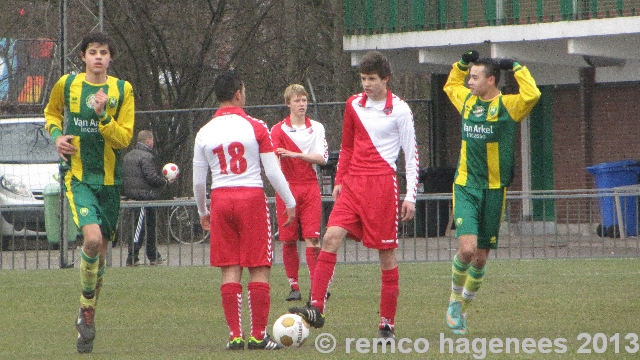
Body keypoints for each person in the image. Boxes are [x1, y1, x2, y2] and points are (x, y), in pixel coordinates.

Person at [289, 51, 419, 339]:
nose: (366, 84)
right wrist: (339, 180)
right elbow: (347, 146)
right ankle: (316, 307)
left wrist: (410, 195)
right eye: (363, 79)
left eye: (372, 79)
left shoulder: (400, 110)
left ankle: (387, 323)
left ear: (385, 79)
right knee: (330, 237)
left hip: (382, 187)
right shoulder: (353, 105)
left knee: (386, 255)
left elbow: (411, 155)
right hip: (352, 186)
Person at [43, 31, 134, 353]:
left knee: (102, 256)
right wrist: (56, 135)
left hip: (110, 181)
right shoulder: (68, 85)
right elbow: (52, 113)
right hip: (78, 176)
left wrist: (103, 116)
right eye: (92, 52)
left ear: (110, 58)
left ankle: (87, 316)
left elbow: (123, 139)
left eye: (104, 52)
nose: (98, 57)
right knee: (92, 240)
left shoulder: (122, 90)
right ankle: (85, 307)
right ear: (83, 56)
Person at [192, 70, 296, 350]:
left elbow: (199, 180)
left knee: (230, 268)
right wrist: (290, 201)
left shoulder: (204, 132)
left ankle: (235, 336)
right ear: (238, 93)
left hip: (221, 198)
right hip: (250, 197)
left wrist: (203, 210)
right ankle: (259, 335)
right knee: (259, 266)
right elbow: (272, 172)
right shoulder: (256, 126)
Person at [442, 51, 541, 335]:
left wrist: (518, 66)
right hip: (466, 185)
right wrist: (461, 64)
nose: (469, 82)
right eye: (469, 77)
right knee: (468, 249)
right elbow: (451, 85)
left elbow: (532, 94)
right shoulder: (466, 99)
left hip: (495, 189)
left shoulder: (508, 106)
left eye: (475, 77)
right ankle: (452, 302)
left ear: (491, 80)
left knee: (481, 257)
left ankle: (463, 309)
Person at [270, 84, 328, 302]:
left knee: (313, 238)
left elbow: (322, 159)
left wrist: (294, 154)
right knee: (288, 239)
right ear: (288, 104)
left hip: (310, 186)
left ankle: (317, 286)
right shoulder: (277, 130)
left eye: (304, 100)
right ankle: (293, 285)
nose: (302, 104)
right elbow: (274, 162)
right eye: (297, 101)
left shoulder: (317, 128)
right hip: (287, 188)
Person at [122, 130, 173, 266]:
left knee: (146, 226)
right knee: (141, 227)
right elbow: (151, 177)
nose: (153, 143)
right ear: (148, 140)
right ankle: (132, 257)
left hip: (132, 196)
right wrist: (165, 182)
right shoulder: (147, 157)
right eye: (152, 140)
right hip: (144, 197)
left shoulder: (128, 156)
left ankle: (153, 255)